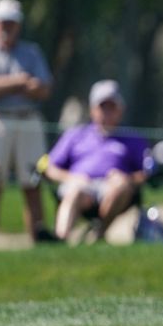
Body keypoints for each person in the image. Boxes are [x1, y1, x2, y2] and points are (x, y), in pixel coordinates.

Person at [0, 0, 56, 247]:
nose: (7, 27)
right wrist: (21, 81)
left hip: (28, 120)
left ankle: (38, 244)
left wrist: (7, 85)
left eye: (12, 22)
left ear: (19, 25)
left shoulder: (32, 52)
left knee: (33, 185)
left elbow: (44, 89)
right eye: (3, 22)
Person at [45, 80, 149, 242]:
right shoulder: (75, 135)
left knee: (120, 185)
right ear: (92, 110)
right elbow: (50, 167)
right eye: (103, 107)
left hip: (112, 189)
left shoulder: (133, 139)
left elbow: (147, 172)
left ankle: (97, 235)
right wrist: (71, 177)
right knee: (75, 191)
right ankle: (60, 238)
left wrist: (127, 178)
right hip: (80, 186)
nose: (107, 112)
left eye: (112, 107)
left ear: (120, 110)